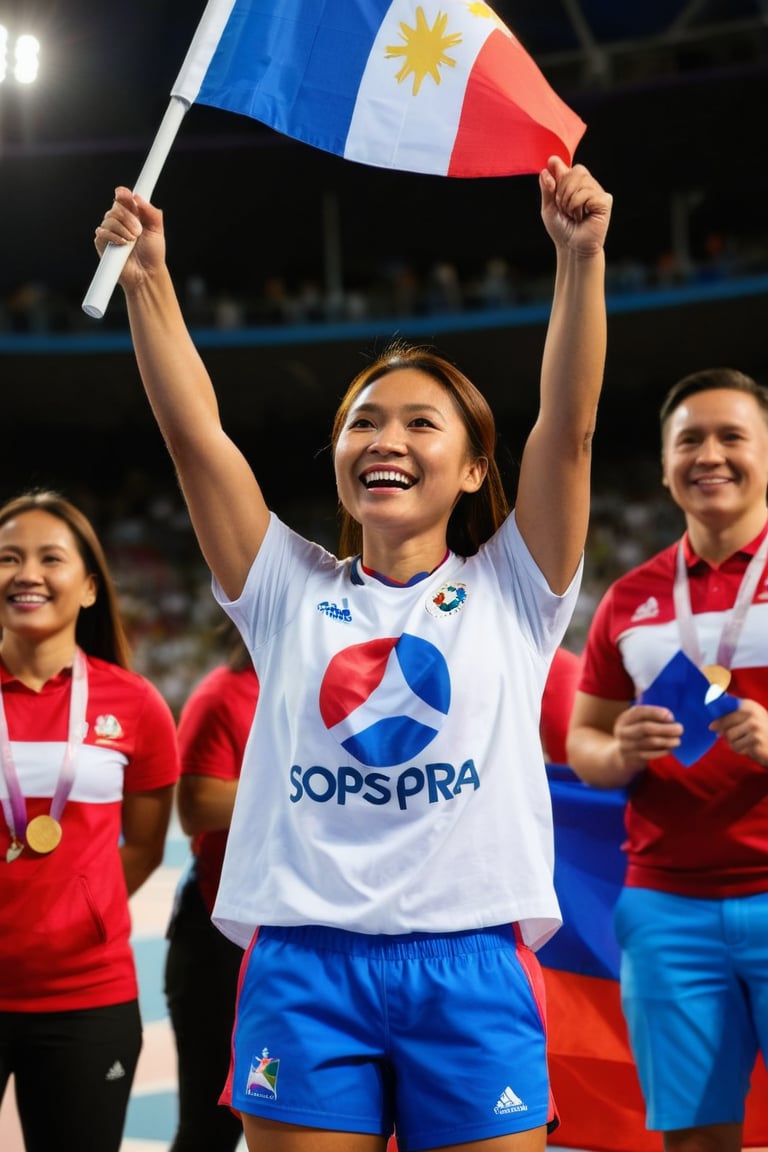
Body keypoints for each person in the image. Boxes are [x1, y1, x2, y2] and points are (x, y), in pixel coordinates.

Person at [94, 153, 612, 1152]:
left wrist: (579, 261)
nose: (387, 435)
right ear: (338, 461)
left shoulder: (514, 587)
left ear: (470, 468)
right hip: (304, 970)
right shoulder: (287, 590)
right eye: (363, 420)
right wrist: (150, 279)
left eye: (423, 421)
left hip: (471, 968)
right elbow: (194, 436)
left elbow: (572, 431)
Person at [566, 367, 768, 1152]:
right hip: (666, 911)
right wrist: (616, 752)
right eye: (689, 440)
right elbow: (584, 739)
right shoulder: (630, 598)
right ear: (663, 463)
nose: (708, 455)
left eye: (731, 437)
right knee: (692, 1141)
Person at [0, 489, 180, 1152]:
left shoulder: (135, 705)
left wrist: (80, 909)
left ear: (88, 589)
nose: (26, 573)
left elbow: (146, 847)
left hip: (86, 997)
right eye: (8, 558)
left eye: (50, 558)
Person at [165, 620, 258, 1152]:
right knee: (210, 1123)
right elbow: (196, 806)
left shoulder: (347, 692)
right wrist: (299, 784)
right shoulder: (221, 695)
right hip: (219, 936)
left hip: (310, 939)